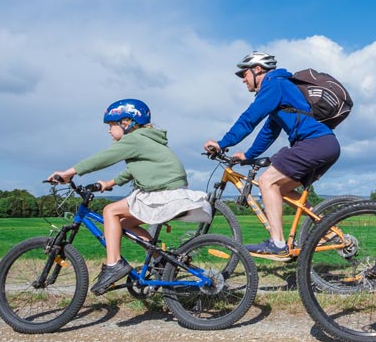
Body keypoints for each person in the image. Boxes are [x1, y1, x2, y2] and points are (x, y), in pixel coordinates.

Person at [48, 99, 212, 295]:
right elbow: (135, 168)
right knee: (124, 223)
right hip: (168, 190)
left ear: (127, 122)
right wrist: (110, 183)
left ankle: (113, 264)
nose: (109, 130)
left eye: (111, 125)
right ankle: (160, 259)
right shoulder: (146, 138)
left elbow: (104, 157)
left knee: (110, 211)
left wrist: (70, 172)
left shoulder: (134, 139)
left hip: (162, 193)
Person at [204, 52, 340, 257]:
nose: (243, 79)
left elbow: (249, 118)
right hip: (324, 144)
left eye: (244, 74)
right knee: (281, 190)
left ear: (257, 70)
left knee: (267, 181)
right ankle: (328, 232)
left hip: (314, 143)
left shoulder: (273, 84)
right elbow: (269, 131)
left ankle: (277, 243)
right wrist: (249, 155)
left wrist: (222, 143)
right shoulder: (281, 89)